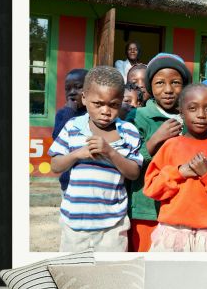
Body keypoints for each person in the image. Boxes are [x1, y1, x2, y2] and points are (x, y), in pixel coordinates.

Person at [48, 66, 142, 252]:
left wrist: (110, 152)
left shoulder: (128, 131)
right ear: (84, 98)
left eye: (113, 105)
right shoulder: (73, 126)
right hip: (74, 225)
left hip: (112, 226)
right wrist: (77, 154)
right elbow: (55, 165)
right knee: (74, 268)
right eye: (98, 104)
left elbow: (133, 173)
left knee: (111, 269)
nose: (105, 111)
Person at [144, 85, 207, 252]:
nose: (201, 115)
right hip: (173, 233)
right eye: (192, 108)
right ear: (181, 112)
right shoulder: (170, 146)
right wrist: (179, 172)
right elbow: (152, 188)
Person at [124, 53, 191, 251]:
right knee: (145, 261)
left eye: (175, 83)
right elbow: (127, 161)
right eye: (160, 83)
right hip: (146, 210)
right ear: (150, 87)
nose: (168, 89)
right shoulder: (138, 116)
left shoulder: (191, 117)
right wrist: (154, 140)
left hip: (181, 208)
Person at [51, 68, 88, 192]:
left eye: (78, 87)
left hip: (88, 179)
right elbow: (57, 138)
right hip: (68, 181)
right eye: (68, 89)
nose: (72, 92)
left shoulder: (93, 114)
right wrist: (70, 112)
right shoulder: (63, 114)